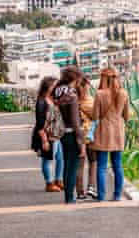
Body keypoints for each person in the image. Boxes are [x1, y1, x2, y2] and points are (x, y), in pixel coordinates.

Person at [92, 67, 129, 201]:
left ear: (103, 78)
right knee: (117, 165)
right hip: (118, 132)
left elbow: (95, 116)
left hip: (103, 132)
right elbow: (127, 116)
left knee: (101, 166)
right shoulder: (124, 93)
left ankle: (101, 196)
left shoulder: (99, 94)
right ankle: (117, 195)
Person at [53, 66, 85, 204]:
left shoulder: (57, 91)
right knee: (72, 167)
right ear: (76, 78)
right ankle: (70, 197)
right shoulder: (71, 94)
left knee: (66, 165)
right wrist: (81, 141)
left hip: (61, 133)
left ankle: (68, 196)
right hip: (72, 134)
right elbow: (75, 122)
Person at [32, 76, 63, 192]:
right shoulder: (41, 102)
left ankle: (58, 180)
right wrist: (44, 140)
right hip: (47, 135)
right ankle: (49, 183)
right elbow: (40, 123)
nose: (57, 87)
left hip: (56, 134)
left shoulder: (53, 98)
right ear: (48, 86)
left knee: (61, 158)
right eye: (55, 85)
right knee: (48, 159)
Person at [76, 76, 98, 200]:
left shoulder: (75, 100)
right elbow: (96, 115)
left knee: (80, 164)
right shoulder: (89, 100)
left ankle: (80, 192)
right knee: (93, 162)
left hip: (78, 136)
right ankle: (91, 186)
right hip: (90, 135)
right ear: (85, 86)